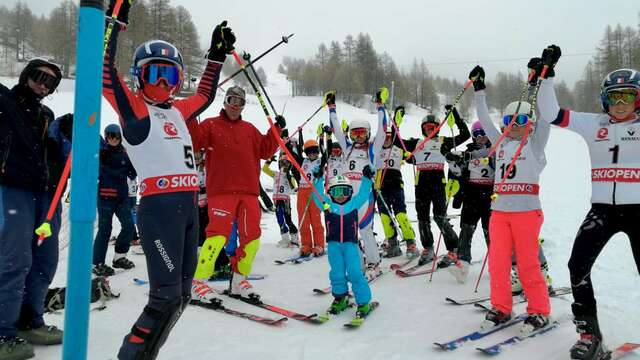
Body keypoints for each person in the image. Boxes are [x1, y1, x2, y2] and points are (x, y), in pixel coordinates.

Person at [101, 0, 235, 356]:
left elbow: (205, 94)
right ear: (139, 76)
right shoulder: (135, 110)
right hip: (159, 212)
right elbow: (103, 71)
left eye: (171, 75)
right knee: (164, 297)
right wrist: (115, 23)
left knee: (181, 297)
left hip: (188, 209)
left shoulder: (178, 110)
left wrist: (216, 57)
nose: (162, 82)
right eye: (154, 73)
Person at [535, 45, 640, 359]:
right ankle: (589, 335)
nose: (620, 104)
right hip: (602, 211)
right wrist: (547, 78)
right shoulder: (594, 124)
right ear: (605, 99)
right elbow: (551, 113)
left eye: (628, 97)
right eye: (615, 97)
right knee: (577, 266)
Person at [470, 64, 552, 335]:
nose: (513, 127)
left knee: (528, 263)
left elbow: (544, 116)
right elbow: (483, 116)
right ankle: (502, 307)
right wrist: (479, 90)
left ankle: (539, 310)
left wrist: (537, 82)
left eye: (520, 121)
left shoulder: (534, 144)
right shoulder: (500, 144)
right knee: (498, 262)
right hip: (500, 212)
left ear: (528, 124)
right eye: (508, 122)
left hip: (527, 213)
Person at [189, 85, 285, 301]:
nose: (235, 105)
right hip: (221, 191)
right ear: (225, 102)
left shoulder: (249, 129)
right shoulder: (211, 125)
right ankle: (199, 282)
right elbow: (194, 140)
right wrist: (191, 116)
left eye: (240, 102)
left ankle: (238, 280)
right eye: (232, 100)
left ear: (243, 106)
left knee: (252, 238)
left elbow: (265, 150)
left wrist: (276, 130)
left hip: (249, 193)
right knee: (217, 236)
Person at [0, 58, 66, 360]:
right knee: (15, 259)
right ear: (27, 75)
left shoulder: (46, 114)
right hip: (12, 188)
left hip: (44, 194)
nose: (43, 84)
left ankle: (29, 319)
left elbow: (49, 151)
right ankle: (3, 330)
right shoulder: (5, 101)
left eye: (51, 82)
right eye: (39, 76)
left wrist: (65, 134)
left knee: (45, 258)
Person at [326, 91, 387, 279]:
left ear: (367, 133)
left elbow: (383, 130)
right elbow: (336, 129)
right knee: (350, 231)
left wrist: (380, 106)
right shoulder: (347, 148)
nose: (358, 136)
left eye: (361, 133)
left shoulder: (372, 148)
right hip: (347, 198)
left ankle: (374, 264)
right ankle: (358, 262)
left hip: (364, 197)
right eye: (354, 133)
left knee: (365, 230)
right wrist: (332, 108)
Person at [403, 106, 470, 267]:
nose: (430, 130)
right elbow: (396, 141)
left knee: (440, 215)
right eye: (427, 128)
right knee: (422, 217)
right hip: (421, 180)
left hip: (437, 180)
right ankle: (428, 248)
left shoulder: (444, 141)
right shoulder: (416, 143)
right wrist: (394, 124)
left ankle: (453, 247)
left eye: (433, 127)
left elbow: (465, 135)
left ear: (438, 128)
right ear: (422, 129)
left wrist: (455, 116)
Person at [311, 166, 377, 319]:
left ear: (350, 193)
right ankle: (340, 298)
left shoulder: (353, 204)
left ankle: (363, 301)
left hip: (350, 245)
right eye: (336, 192)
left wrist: (367, 178)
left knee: (355, 272)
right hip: (334, 246)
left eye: (344, 192)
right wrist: (318, 178)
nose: (340, 196)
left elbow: (363, 193)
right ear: (331, 193)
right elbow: (317, 195)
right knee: (337, 273)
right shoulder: (327, 206)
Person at [443, 121, 494, 282]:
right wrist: (451, 161)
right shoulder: (467, 152)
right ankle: (462, 264)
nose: (481, 138)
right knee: (466, 229)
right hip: (472, 194)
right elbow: (458, 172)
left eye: (484, 134)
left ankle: (498, 265)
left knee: (491, 232)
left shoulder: (496, 150)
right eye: (477, 134)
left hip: (491, 195)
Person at [92, 124, 137, 276]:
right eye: (111, 136)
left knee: (129, 226)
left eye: (117, 136)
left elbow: (133, 172)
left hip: (122, 197)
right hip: (105, 198)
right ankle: (97, 263)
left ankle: (119, 257)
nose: (114, 139)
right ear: (106, 137)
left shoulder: (125, 153)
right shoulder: (102, 152)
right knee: (105, 229)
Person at [376, 122, 417, 259]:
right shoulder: (376, 150)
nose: (386, 139)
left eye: (389, 137)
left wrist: (409, 155)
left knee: (400, 214)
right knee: (384, 216)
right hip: (380, 186)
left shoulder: (398, 148)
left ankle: (411, 242)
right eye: (384, 137)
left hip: (395, 184)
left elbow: (411, 156)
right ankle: (393, 243)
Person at [289, 131, 326, 256]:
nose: (313, 154)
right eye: (310, 152)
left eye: (315, 151)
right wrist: (286, 141)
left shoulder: (321, 161)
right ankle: (306, 244)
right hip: (302, 191)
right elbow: (292, 154)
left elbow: (327, 152)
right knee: (303, 218)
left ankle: (319, 244)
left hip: (315, 191)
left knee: (315, 219)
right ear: (306, 153)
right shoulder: (302, 161)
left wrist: (325, 137)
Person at [262, 151, 299, 248]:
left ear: (290, 165)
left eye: (286, 163)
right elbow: (265, 169)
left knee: (288, 220)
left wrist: (288, 177)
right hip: (276, 200)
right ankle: (285, 238)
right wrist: (269, 160)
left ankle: (295, 238)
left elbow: (293, 187)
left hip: (285, 200)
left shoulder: (289, 177)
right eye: (282, 163)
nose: (284, 165)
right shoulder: (275, 174)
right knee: (280, 219)